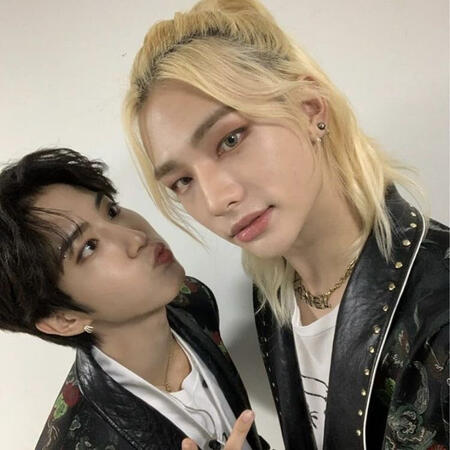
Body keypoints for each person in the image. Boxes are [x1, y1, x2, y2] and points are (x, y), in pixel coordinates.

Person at [122, 0, 449, 448]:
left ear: (311, 109)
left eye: (230, 139)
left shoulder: (440, 313)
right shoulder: (274, 293)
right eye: (182, 181)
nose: (216, 199)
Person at [0, 148, 270, 450]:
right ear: (64, 319)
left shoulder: (192, 300)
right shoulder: (81, 441)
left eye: (111, 211)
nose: (136, 236)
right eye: (89, 247)